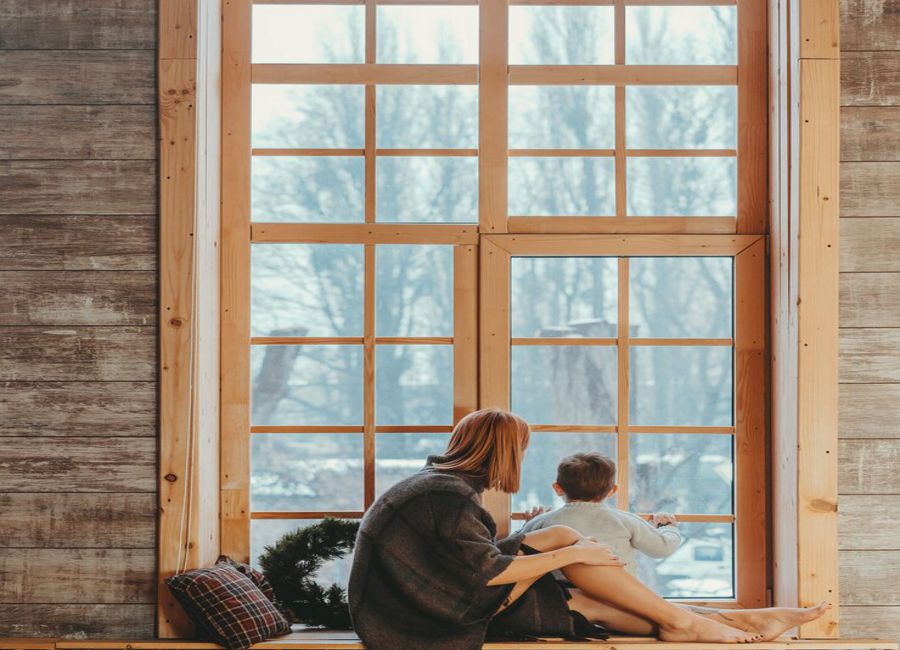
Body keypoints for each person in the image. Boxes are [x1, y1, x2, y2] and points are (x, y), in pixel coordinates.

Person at [348, 409, 829, 650]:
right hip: (421, 622)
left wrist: (568, 551)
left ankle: (740, 619)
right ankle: (701, 623)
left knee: (570, 550)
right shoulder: (446, 495)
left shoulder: (441, 486)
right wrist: (573, 558)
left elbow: (466, 560)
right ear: (504, 452)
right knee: (583, 584)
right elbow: (483, 574)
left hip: (426, 603)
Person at [520, 452, 682, 575]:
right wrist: (667, 527)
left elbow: (512, 549)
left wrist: (529, 523)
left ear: (557, 488)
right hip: (621, 599)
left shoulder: (542, 522)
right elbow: (662, 548)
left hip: (562, 600)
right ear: (613, 491)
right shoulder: (625, 520)